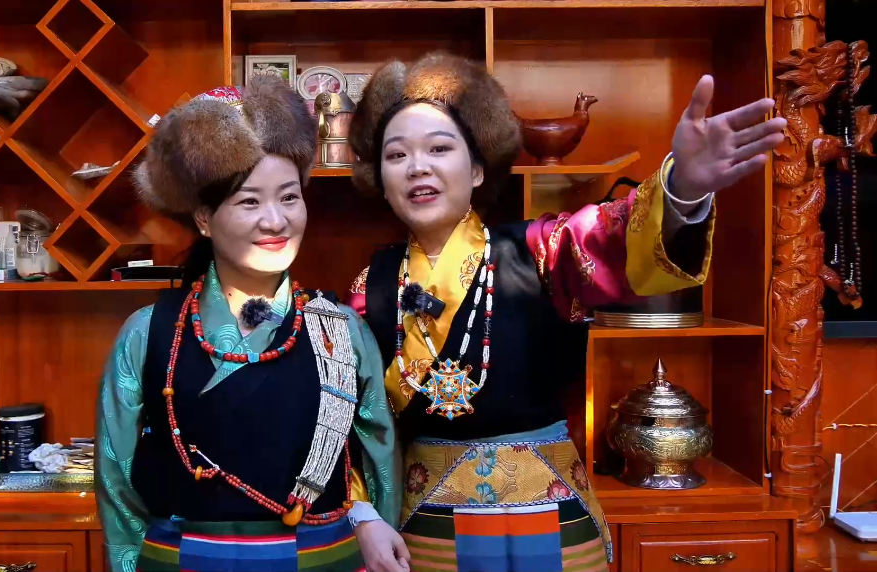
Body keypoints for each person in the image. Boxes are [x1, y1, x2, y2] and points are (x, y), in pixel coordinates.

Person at [345, 52, 787, 571]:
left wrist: (683, 190)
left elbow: (611, 236)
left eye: (439, 148)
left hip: (554, 517)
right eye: (397, 155)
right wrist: (361, 512)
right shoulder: (369, 288)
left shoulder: (543, 251)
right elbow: (355, 420)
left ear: (479, 168)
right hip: (425, 529)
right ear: (381, 178)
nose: (418, 166)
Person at [95, 75, 410, 572]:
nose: (275, 221)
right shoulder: (146, 333)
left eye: (289, 197)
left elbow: (380, 461)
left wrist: (373, 521)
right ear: (203, 217)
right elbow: (116, 481)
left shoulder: (342, 331)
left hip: (319, 560)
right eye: (249, 201)